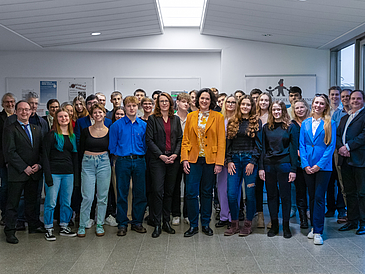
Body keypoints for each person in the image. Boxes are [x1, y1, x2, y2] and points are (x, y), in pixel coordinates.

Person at [181, 88, 225, 237]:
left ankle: (205, 223)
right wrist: (184, 159)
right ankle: (194, 225)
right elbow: (185, 139)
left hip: (210, 160)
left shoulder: (218, 117)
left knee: (207, 192)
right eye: (202, 98)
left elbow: (221, 141)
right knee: (191, 193)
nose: (204, 101)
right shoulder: (191, 116)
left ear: (211, 101)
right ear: (197, 100)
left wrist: (219, 162)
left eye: (207, 99)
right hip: (193, 159)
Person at [3, 101, 46, 244]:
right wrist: (24, 167)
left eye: (26, 110)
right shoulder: (10, 129)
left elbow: (41, 151)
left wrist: (39, 165)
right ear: (15, 112)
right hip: (18, 173)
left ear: (31, 112)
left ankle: (33, 225)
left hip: (34, 173)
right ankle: (9, 231)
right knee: (13, 203)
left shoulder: (37, 129)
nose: (24, 112)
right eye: (20, 110)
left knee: (32, 202)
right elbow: (10, 152)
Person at [300, 94, 336, 245]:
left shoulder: (330, 123)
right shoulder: (305, 123)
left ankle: (318, 232)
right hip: (308, 166)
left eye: (322, 103)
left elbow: (331, 146)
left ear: (325, 106)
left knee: (320, 197)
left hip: (323, 167)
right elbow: (301, 145)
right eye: (316, 103)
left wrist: (319, 165)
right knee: (312, 197)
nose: (318, 106)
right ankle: (314, 227)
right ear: (312, 104)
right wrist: (305, 164)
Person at [109, 96, 147, 237]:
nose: (132, 108)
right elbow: (112, 146)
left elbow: (146, 144)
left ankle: (137, 222)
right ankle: (122, 223)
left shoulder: (143, 125)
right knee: (122, 193)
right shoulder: (116, 125)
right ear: (124, 107)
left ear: (138, 107)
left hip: (139, 160)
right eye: (129, 105)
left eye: (134, 105)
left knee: (140, 192)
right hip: (122, 161)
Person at [259, 101, 298, 238]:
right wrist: (261, 168)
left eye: (279, 109)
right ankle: (275, 224)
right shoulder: (266, 128)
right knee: (271, 196)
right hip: (269, 165)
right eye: (274, 109)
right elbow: (263, 148)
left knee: (285, 196)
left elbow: (293, 149)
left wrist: (293, 169)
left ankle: (286, 225)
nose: (276, 112)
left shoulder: (290, 127)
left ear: (283, 111)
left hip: (285, 165)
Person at [146, 92, 182, 238]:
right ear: (158, 103)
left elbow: (180, 138)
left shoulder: (176, 119)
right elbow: (149, 140)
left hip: (173, 160)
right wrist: (161, 155)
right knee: (157, 191)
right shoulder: (152, 119)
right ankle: (157, 223)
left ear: (170, 102)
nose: (164, 103)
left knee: (169, 192)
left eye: (166, 101)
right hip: (157, 160)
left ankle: (166, 221)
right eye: (161, 101)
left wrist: (175, 154)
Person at [224, 95, 262, 237]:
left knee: (250, 194)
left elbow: (259, 145)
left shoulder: (256, 122)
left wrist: (252, 162)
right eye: (243, 104)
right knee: (232, 194)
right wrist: (229, 160)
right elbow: (228, 143)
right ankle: (234, 223)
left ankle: (247, 224)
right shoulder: (233, 121)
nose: (245, 107)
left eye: (248, 104)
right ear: (239, 106)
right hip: (234, 160)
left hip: (249, 161)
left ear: (252, 107)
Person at [43, 109, 78, 240]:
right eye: (60, 117)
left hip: (68, 173)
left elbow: (75, 158)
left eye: (66, 116)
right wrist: (47, 175)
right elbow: (45, 156)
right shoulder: (51, 135)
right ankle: (48, 228)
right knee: (51, 202)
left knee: (66, 202)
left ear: (69, 118)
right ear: (56, 119)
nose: (63, 118)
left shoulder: (72, 136)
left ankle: (64, 226)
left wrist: (76, 177)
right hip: (53, 173)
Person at [77, 103, 111, 237]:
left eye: (100, 112)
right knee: (87, 196)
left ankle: (100, 224)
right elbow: (80, 149)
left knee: (102, 196)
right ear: (91, 115)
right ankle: (82, 224)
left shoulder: (109, 130)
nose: (98, 115)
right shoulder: (86, 130)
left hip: (104, 163)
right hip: (88, 163)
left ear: (104, 114)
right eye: (95, 112)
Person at [337, 90, 365, 235]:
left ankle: (363, 222)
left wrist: (347, 147)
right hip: (345, 160)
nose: (354, 101)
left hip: (360, 160)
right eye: (352, 98)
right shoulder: (344, 118)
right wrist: (341, 148)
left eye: (358, 99)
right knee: (349, 192)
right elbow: (337, 135)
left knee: (362, 193)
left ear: (363, 100)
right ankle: (352, 221)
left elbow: (363, 136)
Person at [327, 89, 352, 221]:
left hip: (347, 152)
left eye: (347, 96)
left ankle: (342, 210)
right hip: (332, 152)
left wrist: (346, 147)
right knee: (330, 181)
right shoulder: (332, 113)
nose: (344, 98)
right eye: (342, 96)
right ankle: (331, 208)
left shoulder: (352, 113)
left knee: (343, 182)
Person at [215, 95, 236, 229]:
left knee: (234, 189)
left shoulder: (238, 120)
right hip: (220, 158)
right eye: (228, 102)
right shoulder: (218, 118)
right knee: (221, 187)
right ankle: (223, 216)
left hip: (234, 159)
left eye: (233, 102)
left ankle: (232, 217)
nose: (230, 104)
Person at [171, 93, 191, 226]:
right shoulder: (172, 117)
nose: (186, 104)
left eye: (188, 102)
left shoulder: (192, 117)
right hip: (175, 155)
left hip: (190, 156)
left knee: (189, 186)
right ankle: (176, 214)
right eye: (183, 101)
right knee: (175, 186)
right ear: (177, 102)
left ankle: (188, 214)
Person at [292, 99, 310, 229]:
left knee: (313, 191)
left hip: (312, 161)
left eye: (302, 107)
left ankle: (313, 215)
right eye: (297, 108)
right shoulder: (291, 124)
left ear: (306, 108)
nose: (299, 110)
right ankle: (303, 218)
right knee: (300, 191)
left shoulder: (312, 122)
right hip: (297, 163)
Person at [255, 92, 272, 228]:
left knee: (272, 188)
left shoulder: (273, 116)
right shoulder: (254, 117)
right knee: (258, 188)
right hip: (256, 155)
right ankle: (260, 216)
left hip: (271, 156)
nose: (263, 102)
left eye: (266, 100)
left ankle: (273, 217)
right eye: (261, 100)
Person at [0, 93, 16, 226]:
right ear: (2, 104)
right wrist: (6, 160)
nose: (9, 104)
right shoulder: (0, 118)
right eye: (7, 102)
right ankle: (4, 214)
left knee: (15, 189)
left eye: (12, 102)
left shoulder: (19, 117)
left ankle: (16, 215)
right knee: (5, 187)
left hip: (17, 160)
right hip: (3, 160)